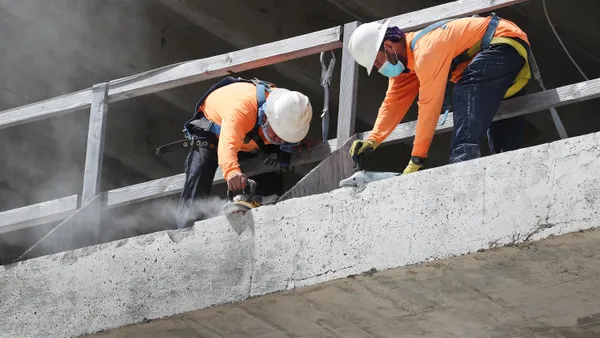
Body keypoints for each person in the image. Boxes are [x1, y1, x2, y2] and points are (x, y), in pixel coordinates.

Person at [346, 13, 532, 174]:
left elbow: (429, 105)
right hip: (498, 73)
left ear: (388, 47)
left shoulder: (425, 51)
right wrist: (373, 139)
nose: (380, 69)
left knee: (465, 90)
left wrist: (417, 158)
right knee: (504, 150)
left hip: (504, 43)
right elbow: (393, 103)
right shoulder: (407, 67)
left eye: (378, 62)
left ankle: (462, 158)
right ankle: (510, 169)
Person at [176, 76, 313, 229]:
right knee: (202, 165)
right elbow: (227, 144)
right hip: (214, 130)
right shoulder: (242, 109)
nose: (281, 139)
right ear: (268, 117)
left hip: (249, 136)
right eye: (279, 134)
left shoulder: (289, 108)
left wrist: (296, 140)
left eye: (284, 136)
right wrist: (232, 172)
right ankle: (186, 227)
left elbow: (289, 125)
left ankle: (266, 219)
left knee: (269, 166)